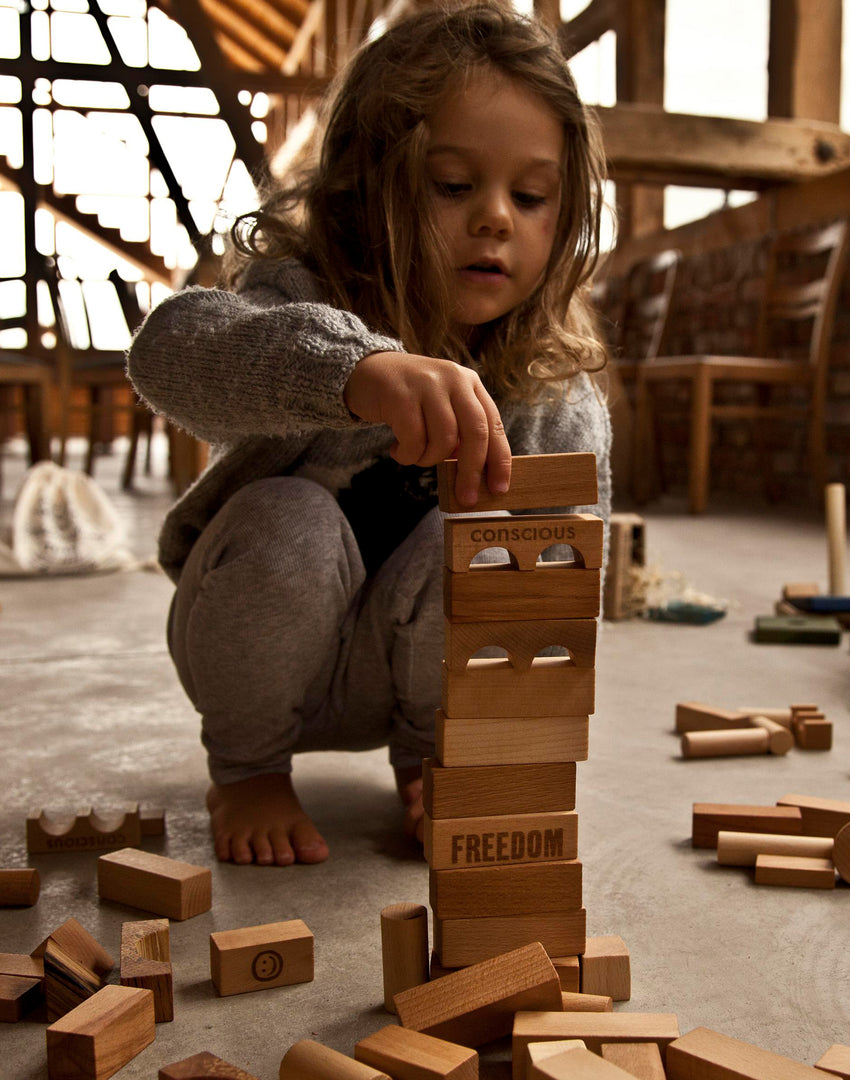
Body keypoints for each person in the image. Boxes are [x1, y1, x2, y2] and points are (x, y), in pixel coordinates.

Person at [127, 1, 612, 868]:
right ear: (364, 187)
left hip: (413, 677)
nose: (496, 217)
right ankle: (247, 771)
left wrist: (503, 749)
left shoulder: (550, 387)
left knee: (491, 545)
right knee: (293, 518)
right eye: (454, 185)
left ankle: (434, 757)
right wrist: (351, 374)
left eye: (531, 196)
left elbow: (562, 593)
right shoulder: (304, 298)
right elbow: (170, 351)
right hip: (256, 648)